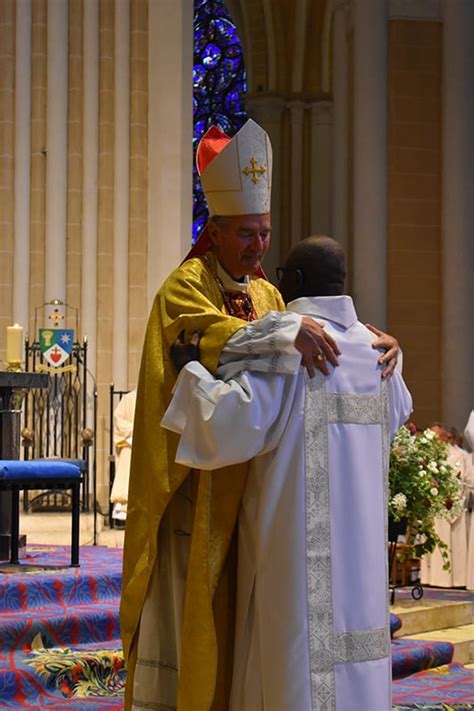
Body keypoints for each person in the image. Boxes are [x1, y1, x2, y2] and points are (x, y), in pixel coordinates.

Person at [121, 120, 400, 710]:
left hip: (261, 492)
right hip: (200, 496)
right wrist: (282, 335)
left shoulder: (274, 298)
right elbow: (198, 340)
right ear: (215, 232)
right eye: (245, 233)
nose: (256, 246)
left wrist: (381, 349)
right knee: (205, 630)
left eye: (265, 233)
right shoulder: (185, 287)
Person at [163, 236, 412, 711]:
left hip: (294, 555)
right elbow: (400, 409)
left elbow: (227, 426)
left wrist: (190, 372)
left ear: (292, 281)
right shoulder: (382, 353)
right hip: (361, 561)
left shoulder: (290, 346)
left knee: (294, 667)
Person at [110, 389, 137, 525]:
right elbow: (118, 420)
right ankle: (124, 507)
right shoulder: (129, 398)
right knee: (127, 458)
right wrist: (137, 429)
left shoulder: (156, 397)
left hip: (150, 445)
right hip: (130, 443)